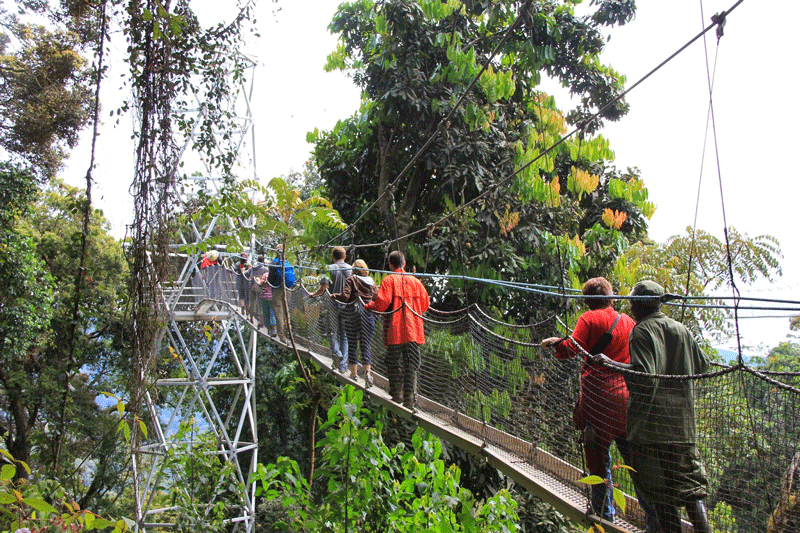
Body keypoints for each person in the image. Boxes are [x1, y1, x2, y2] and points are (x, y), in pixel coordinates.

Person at [593, 280, 711, 533]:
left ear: (640, 304)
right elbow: (702, 367)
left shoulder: (642, 331)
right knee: (692, 490)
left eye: (633, 301)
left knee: (662, 496)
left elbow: (644, 378)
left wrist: (611, 364)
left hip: (650, 430)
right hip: (682, 428)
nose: (631, 305)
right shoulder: (681, 329)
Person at [542, 277, 657, 527]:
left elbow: (573, 348)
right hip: (626, 401)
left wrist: (556, 345)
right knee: (635, 465)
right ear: (611, 297)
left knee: (598, 461)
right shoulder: (628, 322)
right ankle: (654, 522)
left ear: (587, 300)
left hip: (597, 399)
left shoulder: (588, 319)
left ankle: (604, 520)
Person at [365, 250, 429, 409]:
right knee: (412, 364)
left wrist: (369, 305)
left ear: (390, 265)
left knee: (393, 361)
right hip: (413, 331)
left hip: (395, 330)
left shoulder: (388, 280)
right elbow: (425, 305)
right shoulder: (415, 282)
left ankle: (397, 393)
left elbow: (381, 305)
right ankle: (410, 398)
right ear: (404, 264)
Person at [330, 259, 378, 386]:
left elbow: (345, 296)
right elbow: (376, 298)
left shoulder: (351, 279)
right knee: (366, 344)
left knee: (352, 343)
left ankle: (354, 374)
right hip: (368, 315)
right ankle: (367, 374)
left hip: (353, 316)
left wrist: (335, 295)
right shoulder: (371, 282)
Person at [267, 244, 294, 343]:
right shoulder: (288, 262)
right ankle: (290, 334)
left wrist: (268, 283)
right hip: (288, 289)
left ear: (276, 251)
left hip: (277, 289)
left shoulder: (274, 262)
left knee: (279, 312)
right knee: (286, 311)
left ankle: (282, 337)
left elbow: (270, 278)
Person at [255, 271, 276, 336]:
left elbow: (260, 284)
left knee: (266, 313)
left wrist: (258, 280)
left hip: (264, 297)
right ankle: (274, 330)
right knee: (272, 313)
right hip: (273, 296)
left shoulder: (265, 275)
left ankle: (269, 330)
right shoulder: (275, 274)